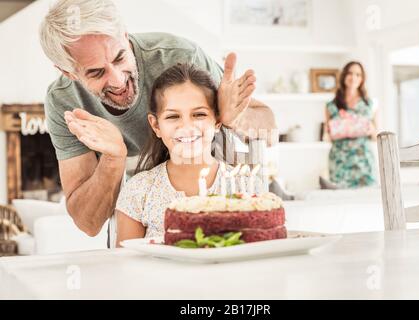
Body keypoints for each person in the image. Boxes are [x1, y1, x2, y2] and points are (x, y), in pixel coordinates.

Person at [39, 0, 276, 237]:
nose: (118, 81)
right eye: (96, 72)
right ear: (67, 72)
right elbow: (88, 223)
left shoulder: (180, 56)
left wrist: (231, 117)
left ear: (124, 36)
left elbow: (269, 129)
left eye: (120, 57)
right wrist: (113, 158)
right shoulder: (64, 101)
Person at [115, 64, 262, 246]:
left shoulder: (246, 186)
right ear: (156, 126)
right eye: (172, 117)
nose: (186, 126)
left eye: (199, 114)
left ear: (217, 121)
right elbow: (127, 264)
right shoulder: (139, 191)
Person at [323, 61, 377, 189]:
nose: (354, 78)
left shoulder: (370, 104)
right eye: (350, 73)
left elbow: (375, 136)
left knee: (367, 200)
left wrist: (371, 130)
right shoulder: (331, 105)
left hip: (363, 160)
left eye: (358, 75)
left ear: (362, 79)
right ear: (344, 76)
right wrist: (331, 131)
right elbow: (327, 136)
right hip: (340, 160)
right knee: (340, 199)